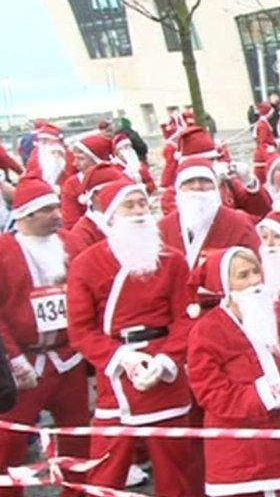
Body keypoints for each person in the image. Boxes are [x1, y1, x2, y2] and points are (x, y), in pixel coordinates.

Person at [67, 179, 198, 496]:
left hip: (165, 373)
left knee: (177, 469)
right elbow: (81, 331)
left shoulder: (173, 261)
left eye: (143, 204)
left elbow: (186, 318)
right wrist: (122, 358)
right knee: (105, 468)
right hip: (116, 374)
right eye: (130, 205)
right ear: (111, 215)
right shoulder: (87, 264)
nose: (140, 211)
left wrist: (166, 360)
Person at [187, 247, 280, 497]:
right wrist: (269, 395)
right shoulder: (206, 331)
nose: (254, 281)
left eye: (256, 272)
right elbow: (210, 392)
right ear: (225, 286)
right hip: (240, 455)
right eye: (243, 276)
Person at [0, 178, 90, 497]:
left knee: (79, 435)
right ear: (25, 215)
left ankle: (74, 492)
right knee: (10, 441)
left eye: (56, 206)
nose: (57, 213)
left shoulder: (70, 242)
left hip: (68, 358)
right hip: (25, 362)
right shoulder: (4, 250)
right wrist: (12, 357)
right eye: (47, 209)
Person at [158, 158, 260, 269]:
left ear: (215, 186)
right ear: (178, 188)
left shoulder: (239, 224)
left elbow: (256, 267)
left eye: (204, 180)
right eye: (189, 181)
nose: (197, 186)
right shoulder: (163, 229)